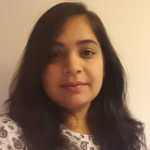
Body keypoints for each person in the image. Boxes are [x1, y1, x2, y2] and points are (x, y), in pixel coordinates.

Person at [0, 1, 147, 150]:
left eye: (87, 52)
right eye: (55, 54)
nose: (73, 67)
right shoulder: (8, 134)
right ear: (38, 69)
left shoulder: (128, 137)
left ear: (105, 66)